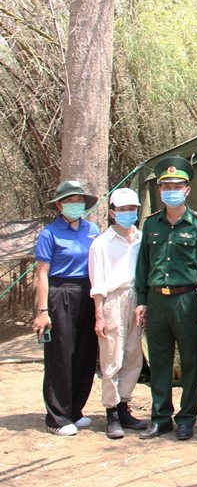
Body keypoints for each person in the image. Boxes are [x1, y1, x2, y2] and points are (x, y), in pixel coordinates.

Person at [135, 157, 197, 441]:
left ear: (187, 190)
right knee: (159, 361)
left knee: (191, 361)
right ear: (159, 190)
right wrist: (141, 301)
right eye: (165, 186)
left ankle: (186, 418)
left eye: (177, 186)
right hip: (157, 301)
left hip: (187, 301)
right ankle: (160, 417)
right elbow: (142, 266)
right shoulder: (150, 225)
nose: (171, 190)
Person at [33, 180, 100, 436]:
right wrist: (42, 311)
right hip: (60, 292)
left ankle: (75, 410)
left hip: (88, 292)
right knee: (61, 355)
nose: (75, 205)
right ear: (59, 205)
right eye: (69, 201)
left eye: (79, 200)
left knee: (85, 352)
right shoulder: (49, 233)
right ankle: (56, 417)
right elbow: (42, 274)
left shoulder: (92, 229)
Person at [88, 187, 147, 439]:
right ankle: (111, 412)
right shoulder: (101, 243)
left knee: (134, 354)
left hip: (136, 299)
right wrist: (99, 314)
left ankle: (124, 405)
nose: (127, 214)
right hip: (112, 299)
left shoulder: (141, 239)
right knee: (112, 356)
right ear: (112, 213)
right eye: (122, 210)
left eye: (132, 209)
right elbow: (97, 282)